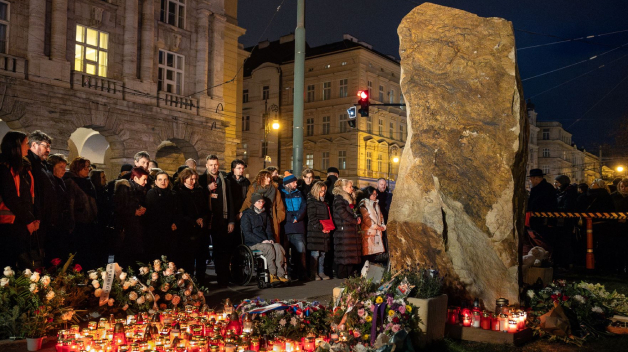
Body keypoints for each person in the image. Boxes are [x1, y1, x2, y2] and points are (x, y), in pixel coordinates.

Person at [0, 131, 38, 269]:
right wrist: (29, 219)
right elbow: (11, 198)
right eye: (26, 143)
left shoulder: (19, 169)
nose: (28, 147)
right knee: (8, 266)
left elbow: (27, 197)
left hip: (19, 222)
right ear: (16, 146)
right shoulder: (4, 168)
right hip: (8, 225)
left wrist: (32, 218)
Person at [199, 155, 234, 286]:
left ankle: (223, 279)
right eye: (211, 165)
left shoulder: (224, 180)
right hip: (207, 220)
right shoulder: (201, 180)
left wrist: (231, 220)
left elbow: (229, 201)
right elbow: (198, 199)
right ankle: (201, 281)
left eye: (216, 164)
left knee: (222, 251)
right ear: (206, 166)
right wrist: (207, 189)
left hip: (221, 220)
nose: (214, 167)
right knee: (203, 252)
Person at [241, 193, 289, 283]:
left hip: (265, 241)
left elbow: (269, 231)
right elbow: (247, 233)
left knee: (278, 247)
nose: (261, 203)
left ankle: (281, 274)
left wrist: (271, 239)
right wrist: (262, 241)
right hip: (252, 243)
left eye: (262, 201)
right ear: (254, 203)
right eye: (259, 201)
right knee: (269, 248)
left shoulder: (264, 214)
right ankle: (272, 274)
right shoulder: (247, 215)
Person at [26, 130, 56, 260]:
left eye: (49, 146)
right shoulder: (29, 163)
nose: (48, 150)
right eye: (45, 146)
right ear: (33, 145)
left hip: (45, 217)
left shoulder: (42, 164)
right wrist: (35, 217)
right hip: (35, 217)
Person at [174, 168, 209, 281]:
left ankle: (201, 280)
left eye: (195, 179)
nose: (193, 182)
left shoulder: (199, 191)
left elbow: (206, 209)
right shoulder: (179, 192)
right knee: (187, 259)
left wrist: (202, 218)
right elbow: (180, 213)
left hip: (200, 230)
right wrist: (194, 221)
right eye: (191, 179)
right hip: (187, 231)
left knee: (201, 258)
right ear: (184, 179)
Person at [65, 157, 99, 268]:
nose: (88, 169)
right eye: (84, 167)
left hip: (90, 221)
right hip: (79, 223)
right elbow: (70, 204)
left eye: (88, 167)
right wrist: (71, 224)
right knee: (80, 252)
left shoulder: (88, 182)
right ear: (77, 168)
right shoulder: (72, 182)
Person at [114, 167, 149, 268]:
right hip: (127, 230)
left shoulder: (140, 189)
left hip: (137, 229)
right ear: (135, 178)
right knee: (126, 260)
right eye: (144, 179)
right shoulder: (125, 188)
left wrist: (142, 209)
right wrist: (134, 212)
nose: (146, 182)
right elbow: (118, 208)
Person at [241, 170, 286, 244]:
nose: (269, 179)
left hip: (271, 218)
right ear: (261, 178)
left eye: (269, 178)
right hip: (257, 217)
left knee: (273, 241)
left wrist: (278, 219)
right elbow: (247, 201)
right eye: (266, 178)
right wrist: (242, 212)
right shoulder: (254, 188)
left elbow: (280, 206)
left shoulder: (274, 189)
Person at [145, 171, 179, 262]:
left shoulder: (173, 194)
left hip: (170, 231)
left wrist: (175, 222)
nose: (163, 182)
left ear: (168, 181)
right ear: (155, 182)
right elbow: (153, 211)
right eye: (160, 179)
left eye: (165, 179)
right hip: (156, 232)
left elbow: (177, 211)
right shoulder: (151, 193)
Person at [332, 178, 361, 279]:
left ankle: (350, 275)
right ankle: (343, 275)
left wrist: (358, 216)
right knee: (344, 255)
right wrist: (354, 220)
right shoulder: (339, 199)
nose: (352, 188)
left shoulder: (349, 198)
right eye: (350, 187)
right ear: (344, 188)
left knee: (350, 255)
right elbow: (342, 213)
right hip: (343, 232)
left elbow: (354, 211)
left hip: (349, 231)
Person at [281, 171, 308, 281]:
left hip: (298, 227)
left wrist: (297, 217)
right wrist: (291, 218)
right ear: (288, 183)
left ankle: (301, 274)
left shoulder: (299, 193)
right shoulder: (281, 193)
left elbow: (303, 206)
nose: (296, 184)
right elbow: (282, 208)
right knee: (285, 253)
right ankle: (288, 274)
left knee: (300, 251)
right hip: (286, 227)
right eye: (294, 182)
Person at [586, 179, 615, 272]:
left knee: (600, 245)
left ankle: (600, 265)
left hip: (601, 224)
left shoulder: (604, 196)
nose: (592, 184)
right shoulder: (587, 195)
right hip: (593, 224)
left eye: (594, 183)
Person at [46, 154, 71, 260]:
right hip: (52, 224)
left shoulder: (61, 181)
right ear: (52, 167)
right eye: (61, 167)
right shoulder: (50, 181)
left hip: (61, 223)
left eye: (65, 167)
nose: (64, 170)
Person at [526, 169, 557, 253]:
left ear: (536, 178)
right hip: (537, 220)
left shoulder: (546, 188)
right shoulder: (537, 188)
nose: (530, 181)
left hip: (544, 221)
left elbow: (544, 204)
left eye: (531, 178)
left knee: (545, 242)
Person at [306, 181, 332, 280]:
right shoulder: (311, 201)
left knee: (323, 253)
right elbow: (312, 217)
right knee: (315, 253)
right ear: (316, 191)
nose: (324, 193)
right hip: (315, 231)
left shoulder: (324, 202)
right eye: (321, 191)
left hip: (323, 231)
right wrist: (321, 228)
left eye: (324, 191)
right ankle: (314, 273)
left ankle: (321, 272)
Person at [553, 175, 577, 270]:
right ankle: (560, 262)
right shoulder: (559, 192)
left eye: (557, 183)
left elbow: (568, 207)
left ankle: (566, 263)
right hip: (559, 222)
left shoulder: (569, 193)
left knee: (565, 242)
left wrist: (555, 209)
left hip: (566, 222)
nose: (555, 184)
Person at [358, 186, 387, 262]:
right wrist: (375, 226)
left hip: (377, 233)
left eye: (376, 194)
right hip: (369, 233)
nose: (375, 196)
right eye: (373, 194)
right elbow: (366, 218)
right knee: (368, 255)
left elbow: (381, 216)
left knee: (374, 256)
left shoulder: (376, 204)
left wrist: (382, 226)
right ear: (368, 194)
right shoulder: (363, 204)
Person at [228, 159, 251, 241]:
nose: (242, 170)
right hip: (229, 213)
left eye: (242, 168)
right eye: (239, 168)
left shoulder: (246, 182)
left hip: (242, 212)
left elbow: (248, 198)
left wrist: (242, 211)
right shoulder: (227, 180)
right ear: (233, 169)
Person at [610, 178, 628, 274]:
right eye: (622, 186)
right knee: (618, 248)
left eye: (626, 186)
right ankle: (619, 269)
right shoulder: (614, 197)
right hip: (616, 227)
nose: (624, 188)